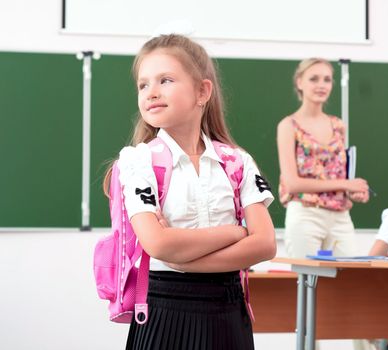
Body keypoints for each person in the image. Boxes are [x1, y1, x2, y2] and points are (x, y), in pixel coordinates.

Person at [104, 34, 276, 350]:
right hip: (163, 313)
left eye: (165, 80)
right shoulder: (137, 160)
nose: (151, 92)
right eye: (143, 85)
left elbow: (265, 243)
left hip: (227, 312)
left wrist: (183, 258)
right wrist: (236, 233)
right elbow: (158, 243)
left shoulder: (237, 161)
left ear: (202, 91)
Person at [276, 57, 370, 259]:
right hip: (305, 213)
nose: (321, 85)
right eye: (314, 79)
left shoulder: (338, 125)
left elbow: (338, 175)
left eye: (327, 80)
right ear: (300, 82)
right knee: (306, 280)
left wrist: (353, 191)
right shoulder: (288, 126)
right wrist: (346, 184)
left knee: (351, 276)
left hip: (339, 215)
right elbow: (292, 184)